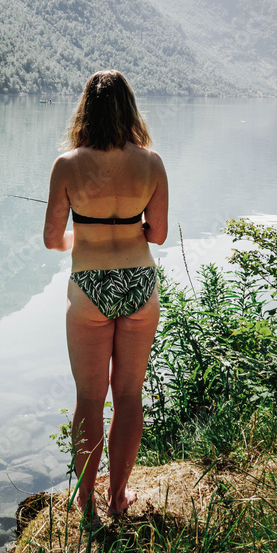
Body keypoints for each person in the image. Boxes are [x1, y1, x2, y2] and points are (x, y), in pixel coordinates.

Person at [43, 70, 169, 517]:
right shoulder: (151, 164)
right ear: (129, 108)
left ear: (86, 111)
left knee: (89, 399)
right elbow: (158, 235)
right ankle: (118, 497)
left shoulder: (68, 165)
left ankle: (85, 498)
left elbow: (52, 238)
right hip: (139, 283)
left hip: (90, 287)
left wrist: (83, 236)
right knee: (129, 395)